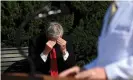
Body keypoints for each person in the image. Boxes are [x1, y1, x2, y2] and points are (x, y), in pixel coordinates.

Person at [59, 1, 133, 80]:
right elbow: (106, 58)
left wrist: (107, 72)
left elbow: (106, 71)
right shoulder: (112, 10)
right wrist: (85, 70)